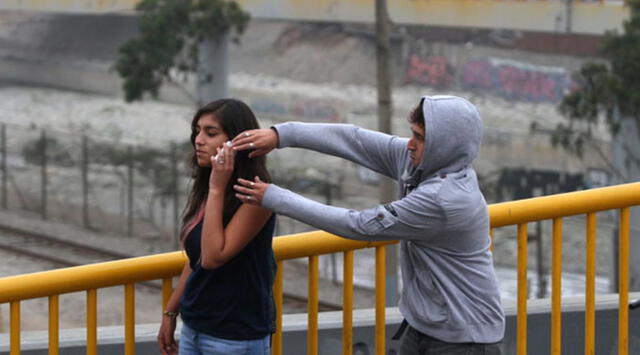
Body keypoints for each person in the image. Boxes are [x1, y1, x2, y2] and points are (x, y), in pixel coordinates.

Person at [232, 95, 505, 354]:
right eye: (412, 133)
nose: (410, 143)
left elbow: (360, 225)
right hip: (426, 326)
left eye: (420, 138)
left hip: (465, 338)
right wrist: (280, 135)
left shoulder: (444, 199)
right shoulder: (421, 162)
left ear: (445, 146)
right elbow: (354, 140)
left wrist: (274, 197)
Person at [157, 99, 275, 355]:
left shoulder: (256, 193)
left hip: (234, 336)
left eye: (210, 133)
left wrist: (217, 188)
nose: (199, 140)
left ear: (238, 141)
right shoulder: (209, 185)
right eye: (197, 131)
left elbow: (212, 256)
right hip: (195, 327)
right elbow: (196, 257)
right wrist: (171, 310)